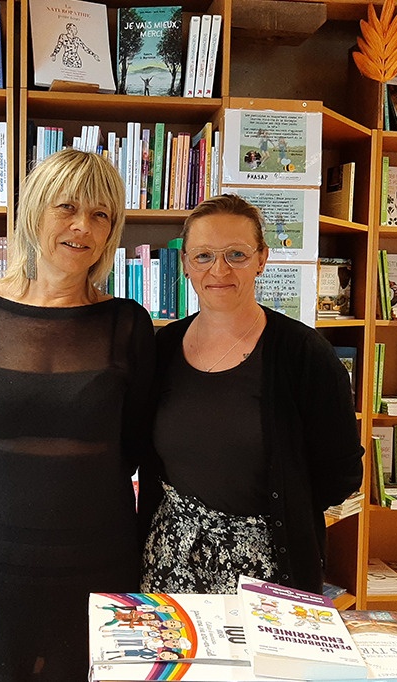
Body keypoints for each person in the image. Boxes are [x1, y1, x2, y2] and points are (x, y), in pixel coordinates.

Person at [0, 148, 156, 681]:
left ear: (111, 231)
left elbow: (137, 444)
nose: (83, 226)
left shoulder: (128, 324)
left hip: (98, 556)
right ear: (34, 212)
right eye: (67, 207)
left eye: (101, 214)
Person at [138, 193, 363, 595]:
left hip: (269, 565)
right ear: (186, 263)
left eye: (236, 255)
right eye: (203, 255)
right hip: (171, 554)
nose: (219, 269)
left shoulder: (304, 353)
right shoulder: (163, 347)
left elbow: (341, 473)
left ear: (262, 259)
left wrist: (278, 511)